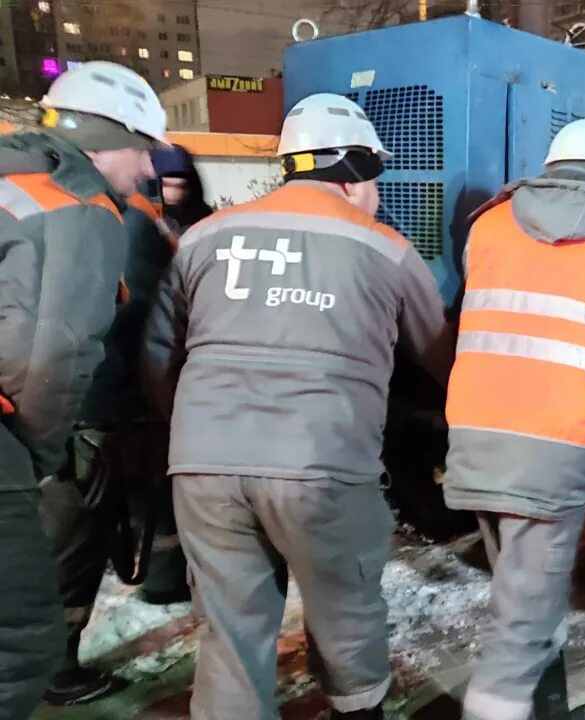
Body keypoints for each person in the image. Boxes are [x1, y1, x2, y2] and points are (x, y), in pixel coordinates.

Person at [140, 92, 455, 720]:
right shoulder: (385, 248)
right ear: (354, 171)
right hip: (324, 467)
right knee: (346, 612)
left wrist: (201, 428)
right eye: (376, 177)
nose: (379, 193)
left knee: (230, 633)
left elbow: (157, 354)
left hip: (204, 467)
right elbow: (442, 359)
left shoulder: (205, 235)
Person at [444, 117, 585, 720]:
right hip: (556, 452)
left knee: (525, 596)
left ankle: (548, 709)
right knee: (520, 628)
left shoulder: (487, 225)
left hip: (476, 438)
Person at [0, 60, 166, 716]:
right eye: (143, 151)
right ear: (103, 140)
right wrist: (32, 459)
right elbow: (54, 353)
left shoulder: (13, 178)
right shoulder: (79, 204)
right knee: (20, 643)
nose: (150, 170)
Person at [151, 144, 214, 236]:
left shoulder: (204, 219)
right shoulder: (139, 218)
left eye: (181, 186)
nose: (173, 194)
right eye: (166, 185)